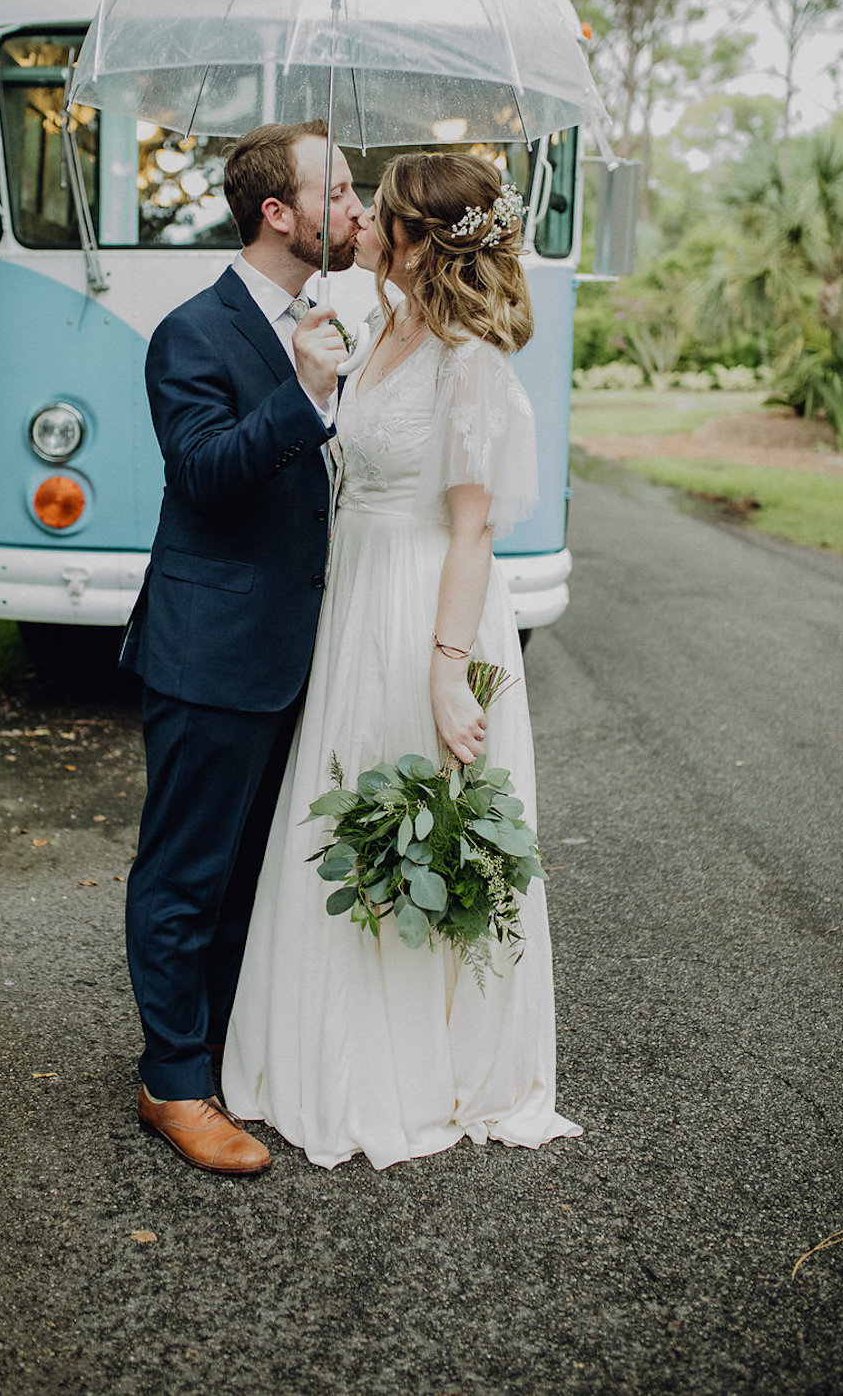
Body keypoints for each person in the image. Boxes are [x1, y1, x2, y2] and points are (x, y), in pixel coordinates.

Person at [223, 151, 582, 1170]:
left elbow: (473, 534)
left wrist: (444, 668)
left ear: (422, 241)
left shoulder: (471, 360)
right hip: (354, 600)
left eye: (378, 214)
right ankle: (318, 1051)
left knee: (411, 806)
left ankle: (423, 1070)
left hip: (426, 606)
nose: (362, 226)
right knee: (343, 804)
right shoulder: (378, 326)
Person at [121, 119, 362, 1175]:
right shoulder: (191, 332)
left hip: (303, 648)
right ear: (279, 212)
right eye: (339, 191)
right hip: (210, 645)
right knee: (188, 873)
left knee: (255, 874)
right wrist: (303, 394)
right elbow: (208, 476)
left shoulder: (332, 316)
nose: (355, 208)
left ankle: (221, 1051)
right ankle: (173, 1083)